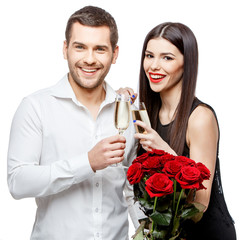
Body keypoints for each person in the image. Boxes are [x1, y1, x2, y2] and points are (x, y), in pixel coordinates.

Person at [7, 6, 143, 240]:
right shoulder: (35, 107)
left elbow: (132, 189)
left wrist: (149, 233)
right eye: (80, 47)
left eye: (100, 49)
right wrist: (87, 162)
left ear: (115, 53)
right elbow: (18, 182)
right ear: (65, 49)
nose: (89, 59)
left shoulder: (128, 110)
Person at [128, 22, 236, 239]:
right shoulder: (147, 113)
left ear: (187, 63)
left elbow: (199, 205)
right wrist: (120, 99)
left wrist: (166, 152)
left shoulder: (200, 118)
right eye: (149, 56)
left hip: (206, 234)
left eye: (167, 58)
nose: (154, 66)